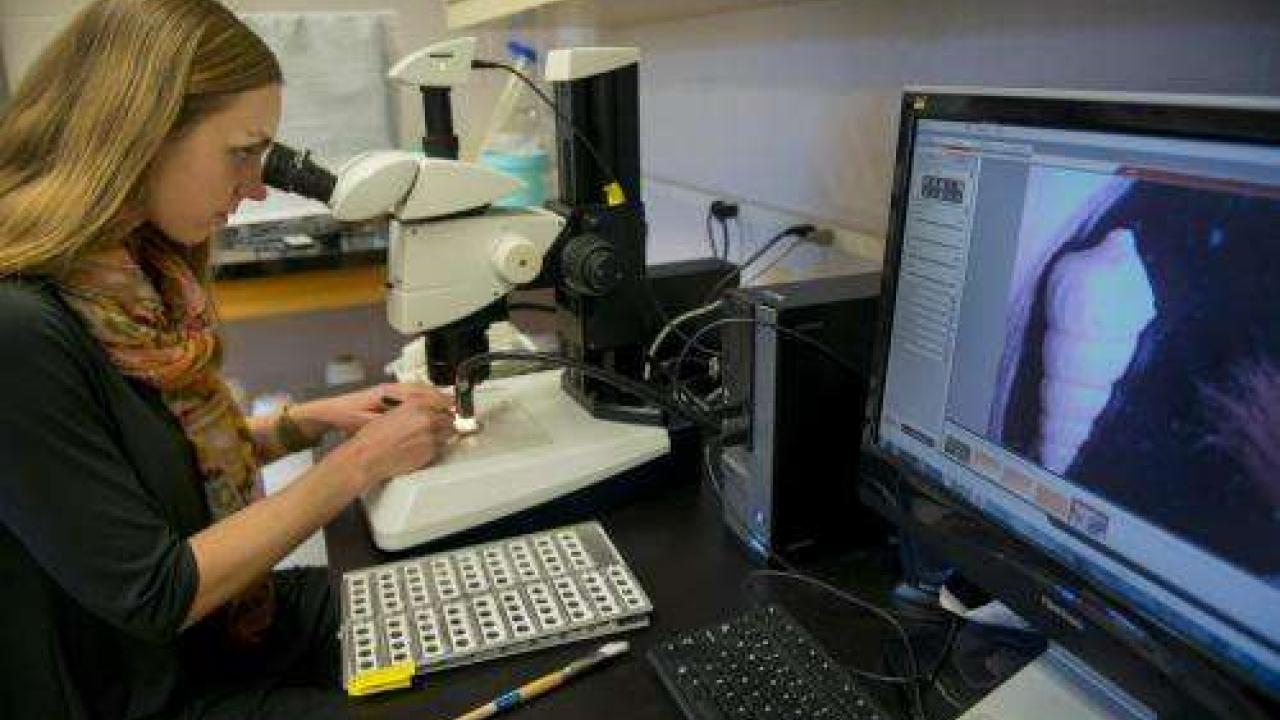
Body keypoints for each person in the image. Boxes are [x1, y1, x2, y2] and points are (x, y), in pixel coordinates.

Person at [0, 1, 457, 718]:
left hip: (230, 633)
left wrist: (302, 425)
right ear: (141, 132)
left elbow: (141, 471)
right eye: (242, 152)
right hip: (149, 690)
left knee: (456, 610)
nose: (256, 188)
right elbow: (155, 591)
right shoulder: (19, 326)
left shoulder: (128, 273)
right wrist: (358, 463)